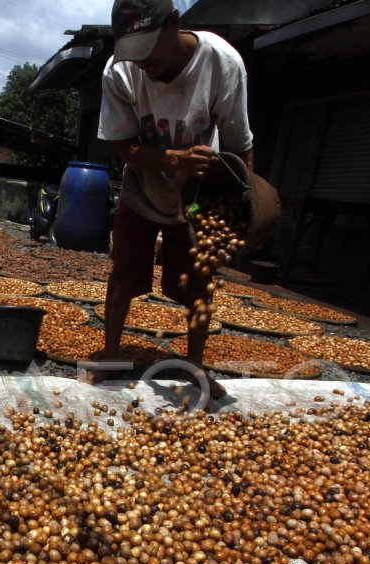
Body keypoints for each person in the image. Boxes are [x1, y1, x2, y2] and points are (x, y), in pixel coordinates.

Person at [89, 0, 254, 398]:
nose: (142, 61)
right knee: (122, 276)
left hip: (196, 198)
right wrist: (171, 158)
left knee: (200, 285)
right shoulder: (120, 71)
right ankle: (112, 354)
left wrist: (242, 207)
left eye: (148, 48)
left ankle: (196, 367)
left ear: (174, 23)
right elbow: (124, 147)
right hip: (142, 188)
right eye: (133, 51)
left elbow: (240, 145)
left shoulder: (221, 63)